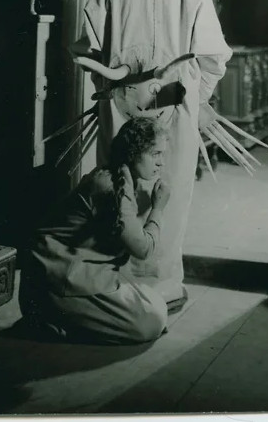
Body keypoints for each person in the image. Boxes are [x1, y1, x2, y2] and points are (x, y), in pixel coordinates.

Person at [70, 0, 233, 306]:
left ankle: (140, 286)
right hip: (153, 105)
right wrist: (200, 95)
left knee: (145, 188)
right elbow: (213, 56)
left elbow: (87, 48)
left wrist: (111, 86)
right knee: (147, 189)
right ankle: (142, 288)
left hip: (139, 106)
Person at [19, 117, 170, 345]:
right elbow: (143, 249)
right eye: (155, 154)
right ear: (133, 152)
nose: (161, 163)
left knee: (155, 303)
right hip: (56, 279)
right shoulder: (110, 186)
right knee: (151, 322)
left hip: (75, 273)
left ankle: (61, 321)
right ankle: (54, 320)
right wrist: (158, 208)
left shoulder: (118, 177)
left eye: (163, 154)